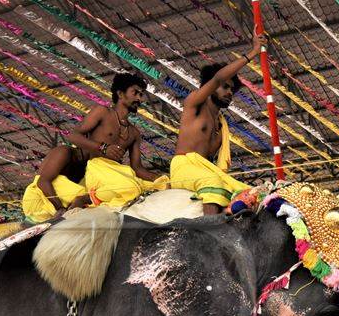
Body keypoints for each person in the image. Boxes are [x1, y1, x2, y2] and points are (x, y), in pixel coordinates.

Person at [170, 31, 265, 214]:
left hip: (207, 170)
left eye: (232, 89)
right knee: (213, 183)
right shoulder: (194, 104)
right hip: (184, 168)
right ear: (210, 87)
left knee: (250, 192)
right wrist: (253, 52)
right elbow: (218, 78)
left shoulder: (222, 125)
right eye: (225, 87)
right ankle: (211, 233)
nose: (230, 92)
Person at [81, 72, 168, 210]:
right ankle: (90, 198)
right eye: (135, 93)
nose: (139, 99)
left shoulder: (134, 133)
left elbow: (137, 168)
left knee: (160, 185)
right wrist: (103, 147)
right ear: (120, 94)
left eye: (141, 94)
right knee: (131, 189)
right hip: (98, 169)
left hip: (120, 172)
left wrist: (159, 178)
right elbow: (73, 136)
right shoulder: (102, 112)